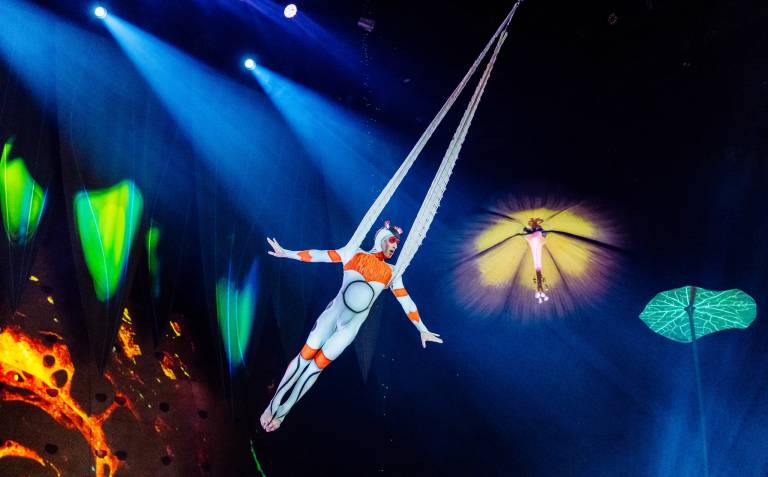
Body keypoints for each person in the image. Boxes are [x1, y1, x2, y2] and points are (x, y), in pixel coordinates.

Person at [260, 221, 443, 432]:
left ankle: (283, 411)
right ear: (381, 237)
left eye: (397, 244)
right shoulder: (352, 252)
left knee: (315, 368)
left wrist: (422, 328)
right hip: (331, 317)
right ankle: (272, 405)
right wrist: (287, 253)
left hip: (348, 330)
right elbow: (318, 255)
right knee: (304, 359)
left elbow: (407, 302)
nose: (394, 246)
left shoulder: (392, 273)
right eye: (393, 240)